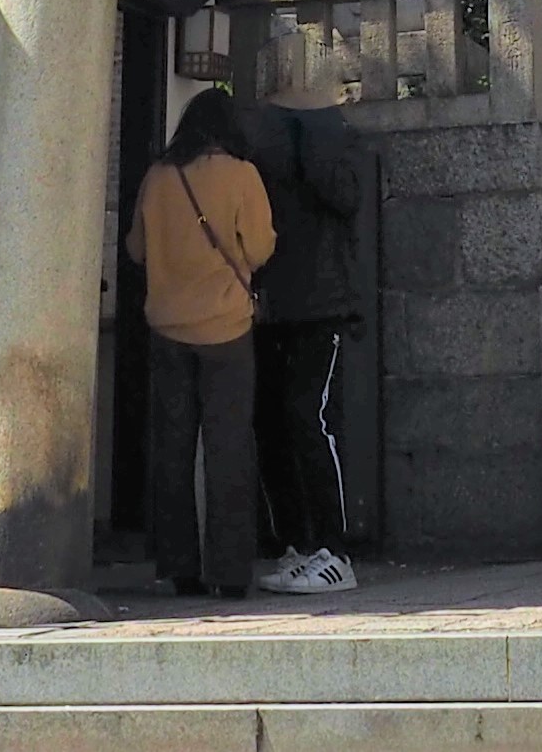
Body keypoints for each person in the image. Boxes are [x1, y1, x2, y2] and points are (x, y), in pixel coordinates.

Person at [124, 83, 275, 598]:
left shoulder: (158, 178)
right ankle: (230, 572)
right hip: (226, 329)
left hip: (166, 327)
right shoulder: (242, 175)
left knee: (172, 448)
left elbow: (137, 250)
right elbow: (258, 250)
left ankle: (178, 566)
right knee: (228, 447)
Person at [241, 95, 363, 595]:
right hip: (301, 299)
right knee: (283, 419)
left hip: (300, 301)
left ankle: (331, 548)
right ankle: (305, 545)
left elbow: (345, 198)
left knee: (297, 418)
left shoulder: (293, 146)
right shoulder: (322, 143)